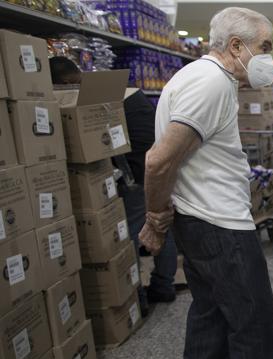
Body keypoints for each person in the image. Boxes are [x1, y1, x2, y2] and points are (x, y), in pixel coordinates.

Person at [138, 6, 273, 359]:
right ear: (236, 47)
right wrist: (154, 219)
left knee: (209, 311)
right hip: (220, 224)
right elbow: (159, 160)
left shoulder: (200, 78)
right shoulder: (210, 83)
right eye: (265, 47)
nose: (269, 56)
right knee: (252, 317)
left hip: (200, 220)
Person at [49, 57, 178, 313]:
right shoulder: (127, 90)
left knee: (126, 235)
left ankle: (136, 296)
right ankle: (164, 286)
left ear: (64, 83)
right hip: (159, 170)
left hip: (135, 177)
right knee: (162, 227)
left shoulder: (95, 97)